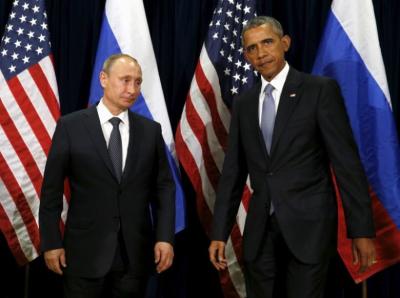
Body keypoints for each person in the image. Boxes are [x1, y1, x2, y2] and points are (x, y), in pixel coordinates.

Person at [209, 16, 376, 298]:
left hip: (309, 229)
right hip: (260, 232)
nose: (261, 53)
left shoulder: (319, 90)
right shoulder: (244, 103)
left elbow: (346, 164)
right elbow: (233, 173)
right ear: (246, 56)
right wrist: (219, 232)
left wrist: (361, 231)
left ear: (285, 43)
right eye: (252, 48)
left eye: (267, 43)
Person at [39, 53, 175, 298]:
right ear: (103, 79)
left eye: (137, 81)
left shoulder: (150, 131)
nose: (132, 89)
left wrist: (165, 237)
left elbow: (164, 189)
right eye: (125, 80)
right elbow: (51, 191)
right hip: (82, 255)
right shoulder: (71, 127)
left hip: (134, 256)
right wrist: (51, 242)